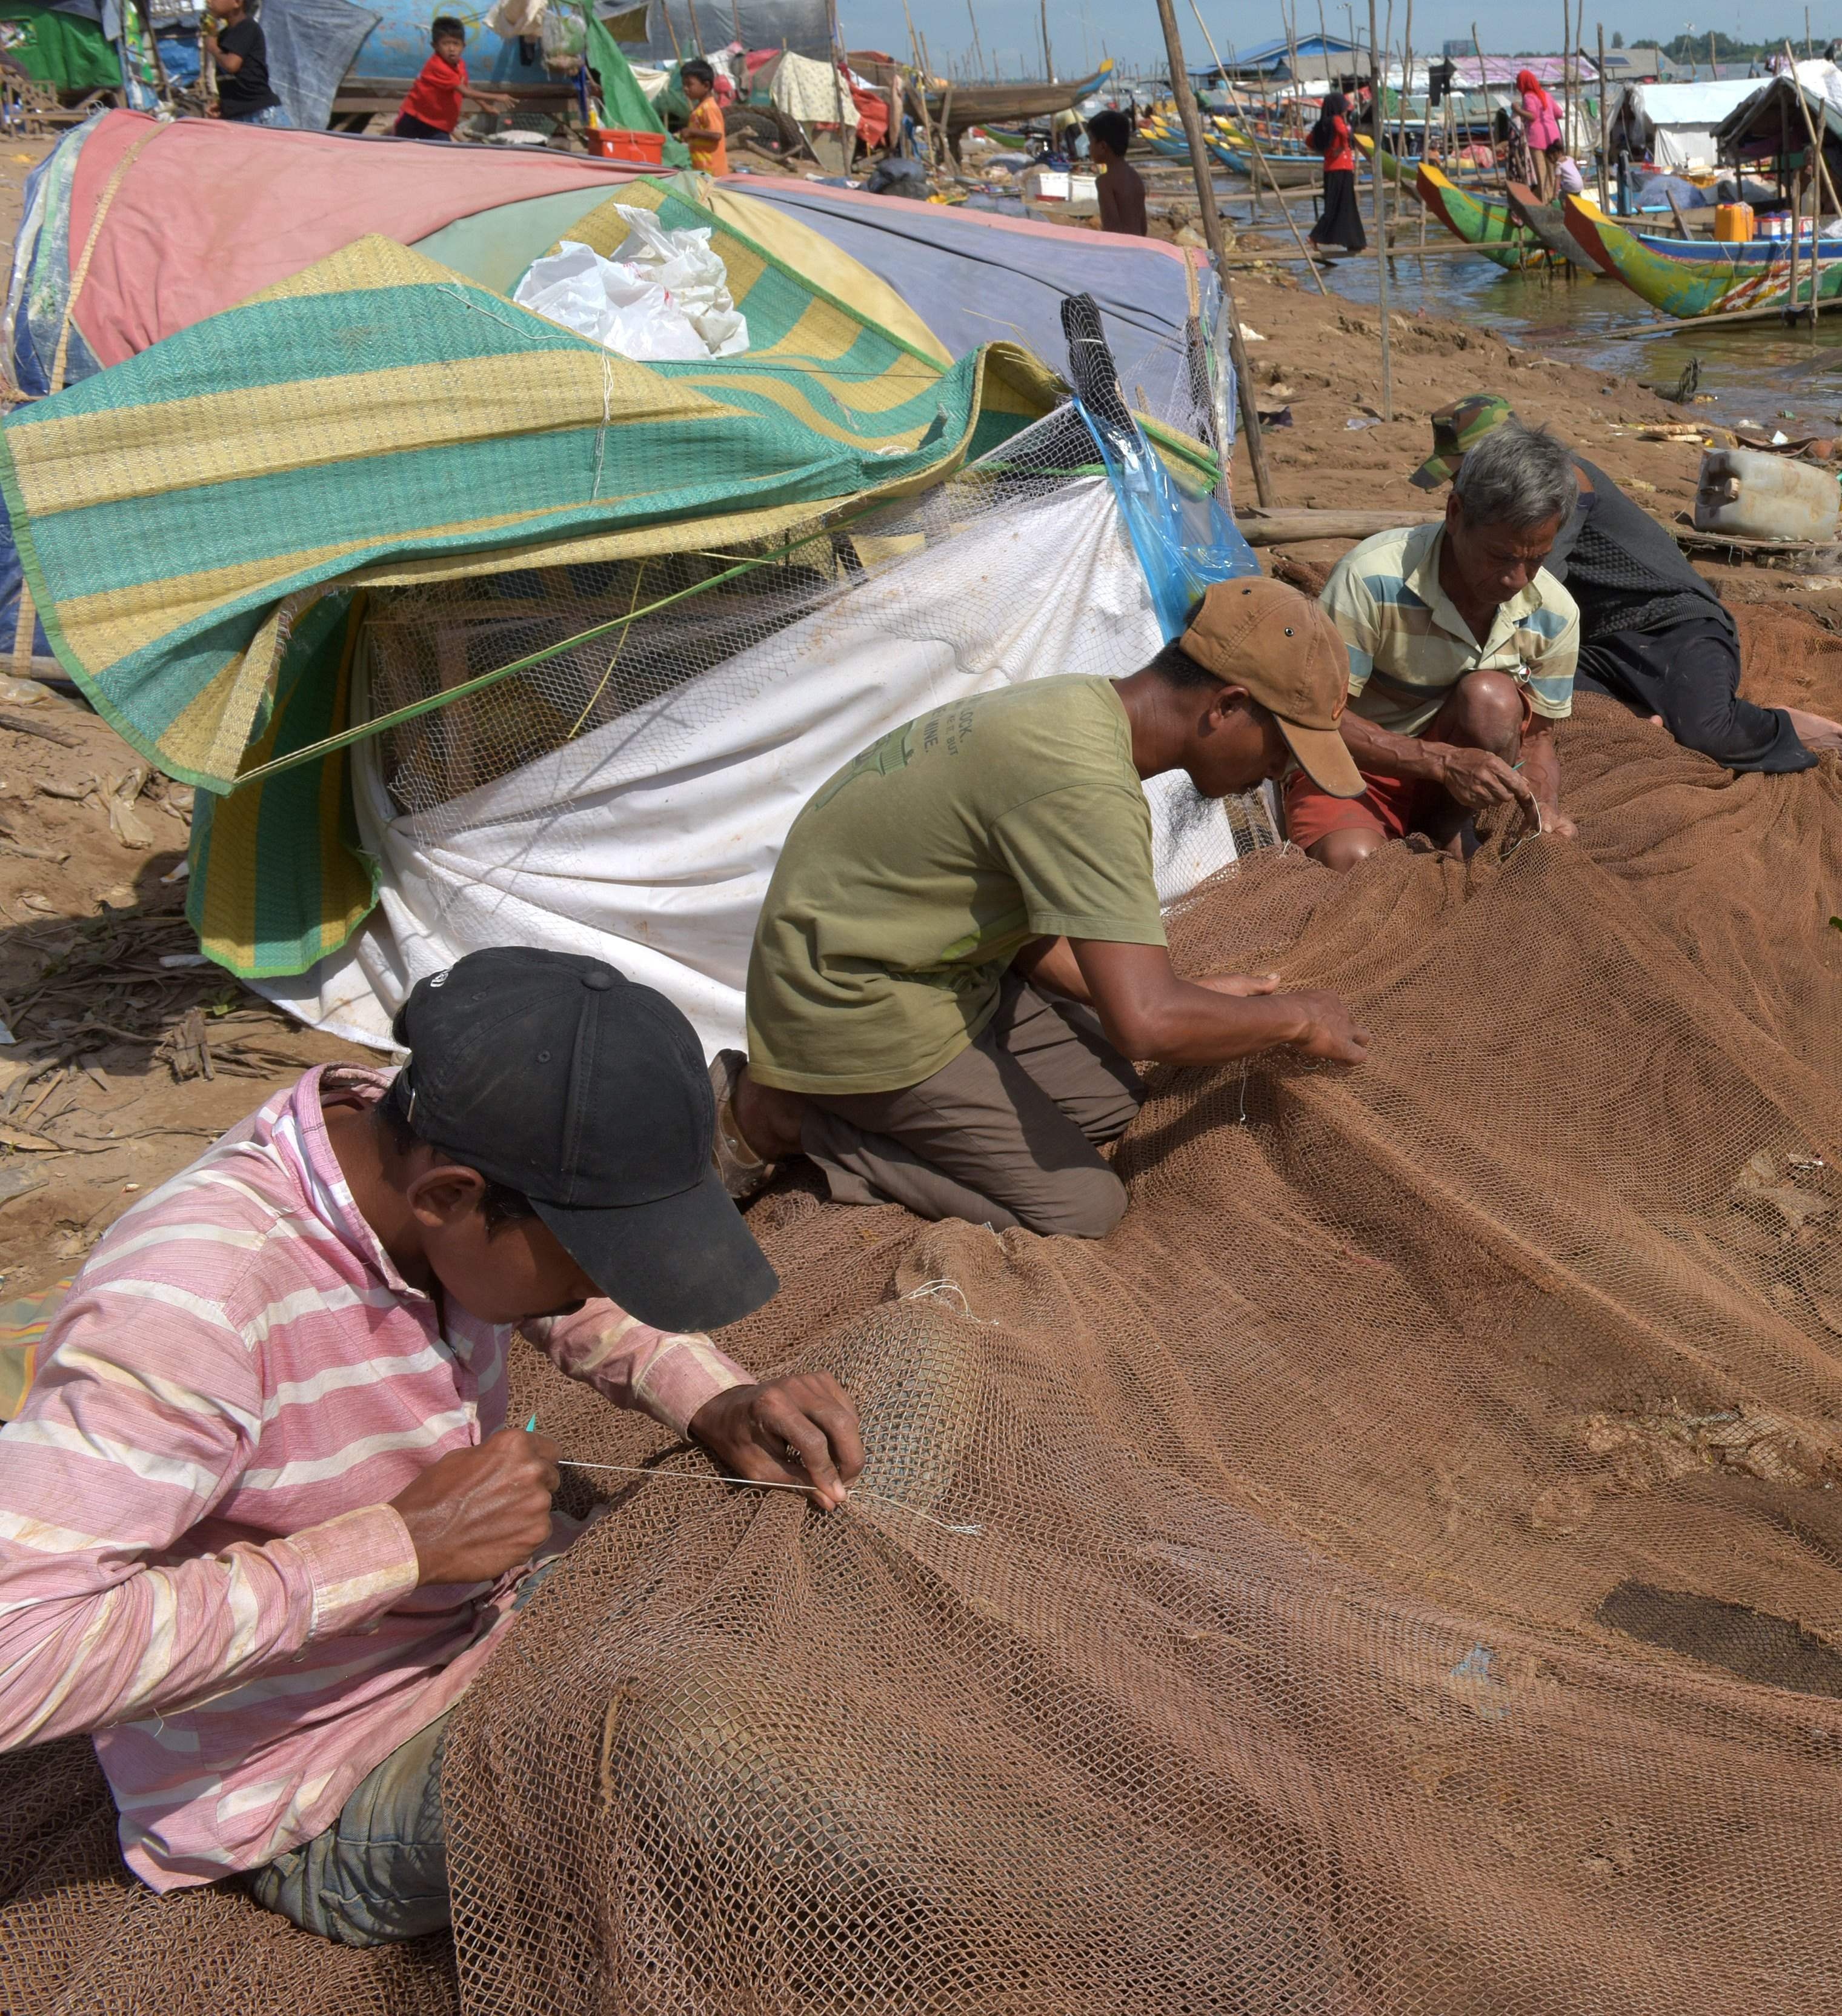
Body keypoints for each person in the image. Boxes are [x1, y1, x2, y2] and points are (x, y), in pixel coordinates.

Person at [0, 947, 862, 1947]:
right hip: (324, 1777)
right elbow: (17, 1659)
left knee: (780, 1626)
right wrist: (400, 1546)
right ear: (447, 1199)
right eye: (596, 1259)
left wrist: (713, 1398)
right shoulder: (195, 1309)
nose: (605, 1289)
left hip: (483, 1619)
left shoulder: (408, 1142)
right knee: (698, 1776)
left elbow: (549, 1286)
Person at [728, 577, 1372, 1238]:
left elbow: (1021, 915)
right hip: (848, 999)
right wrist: (1293, 1018)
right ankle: (786, 1114)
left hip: (925, 960)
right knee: (1083, 1209)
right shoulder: (1085, 786)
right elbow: (1145, 1025)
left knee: (1114, 1103)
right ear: (1227, 706)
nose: (1273, 774)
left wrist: (1186, 998)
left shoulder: (1081, 705)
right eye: (1281, 749)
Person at [1413, 396, 1842, 776]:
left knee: (1707, 733)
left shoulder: (1558, 487)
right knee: (1531, 690)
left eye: (1461, 473)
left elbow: (1533, 592)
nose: (1456, 486)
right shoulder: (1488, 511)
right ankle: (1639, 715)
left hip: (1671, 625)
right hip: (1601, 644)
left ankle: (1781, 727)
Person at [1292, 417, 1586, 872]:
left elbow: (1540, 738)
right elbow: (1311, 719)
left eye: (1536, 560)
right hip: (1349, 769)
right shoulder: (1370, 580)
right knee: (1357, 863)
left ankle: (1447, 825)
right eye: (1501, 556)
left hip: (1450, 787)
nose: (1516, 579)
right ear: (1454, 514)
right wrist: (1442, 761)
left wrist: (1544, 804)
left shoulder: (1555, 611)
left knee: (1491, 698)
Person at [202, 0, 274, 125]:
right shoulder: (224, 35)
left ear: (237, 1)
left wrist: (213, 47)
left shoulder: (247, 28)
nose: (208, 0)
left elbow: (232, 65)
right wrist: (225, 105)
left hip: (259, 114)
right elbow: (233, 79)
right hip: (238, 114)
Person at [1305, 88, 1365, 262]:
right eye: (1344, 106)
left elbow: (1309, 141)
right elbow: (1345, 132)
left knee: (1344, 206)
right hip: (1341, 168)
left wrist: (1327, 151)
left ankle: (1354, 242)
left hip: (1332, 168)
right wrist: (1346, 133)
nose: (1347, 109)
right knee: (1339, 206)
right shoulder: (1336, 120)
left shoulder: (1321, 124)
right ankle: (1315, 236)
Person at [391, 14, 470, 141]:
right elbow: (466, 92)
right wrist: (497, 97)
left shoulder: (460, 66)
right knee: (400, 150)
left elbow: (466, 89)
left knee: (442, 155)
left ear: (463, 46)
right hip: (414, 119)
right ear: (435, 46)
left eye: (456, 44)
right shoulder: (437, 66)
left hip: (437, 124)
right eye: (446, 44)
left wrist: (485, 105)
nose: (452, 49)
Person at [1088, 103, 1149, 238]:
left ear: (1103, 147)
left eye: (1091, 141)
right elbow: (1143, 227)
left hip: (1121, 252)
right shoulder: (1135, 177)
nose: (1089, 147)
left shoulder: (1105, 182)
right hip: (1140, 248)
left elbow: (1112, 229)